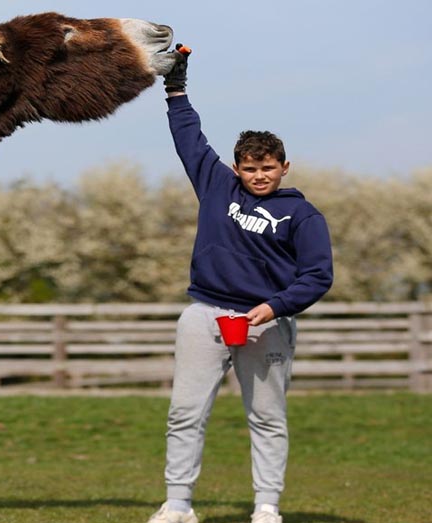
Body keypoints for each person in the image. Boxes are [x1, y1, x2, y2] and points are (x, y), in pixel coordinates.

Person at [146, 45, 334, 523]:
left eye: (267, 167)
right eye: (249, 168)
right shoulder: (215, 184)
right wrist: (175, 89)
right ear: (236, 168)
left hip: (266, 322)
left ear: (284, 167)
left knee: (267, 418)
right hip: (205, 315)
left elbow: (318, 275)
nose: (258, 175)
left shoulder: (302, 214)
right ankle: (179, 505)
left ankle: (267, 507)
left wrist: (275, 308)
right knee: (185, 413)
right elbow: (189, 137)